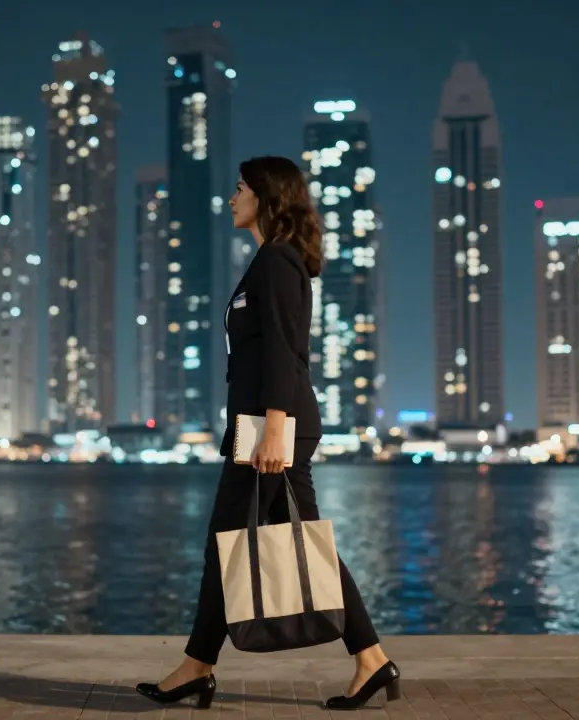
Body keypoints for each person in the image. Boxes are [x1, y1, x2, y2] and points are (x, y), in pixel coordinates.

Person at [135, 156, 400, 711]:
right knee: (226, 543)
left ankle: (368, 661)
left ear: (265, 197)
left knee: (295, 543)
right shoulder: (267, 260)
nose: (231, 199)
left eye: (239, 190)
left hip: (272, 428)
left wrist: (275, 429)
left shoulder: (277, 263)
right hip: (257, 427)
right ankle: (198, 665)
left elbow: (284, 349)